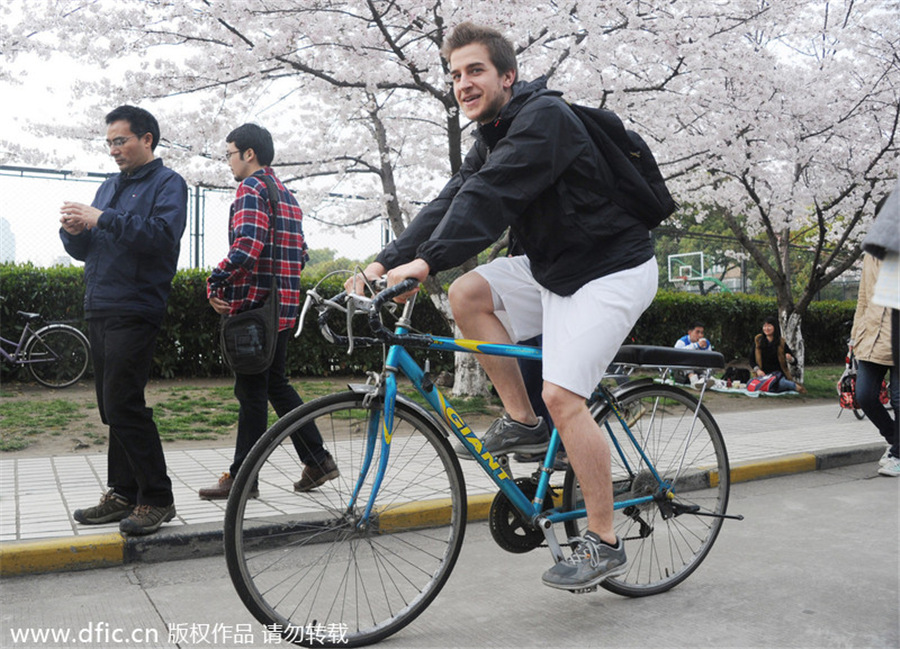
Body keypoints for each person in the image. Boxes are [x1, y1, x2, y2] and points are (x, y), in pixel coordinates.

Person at [346, 22, 658, 592]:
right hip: (554, 266)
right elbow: (453, 198)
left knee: (564, 396)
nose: (462, 83)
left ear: (507, 76)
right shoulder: (490, 135)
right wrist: (385, 260)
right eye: (455, 75)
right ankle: (523, 422)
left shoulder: (545, 121)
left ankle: (605, 541)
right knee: (468, 295)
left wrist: (429, 263)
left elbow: (493, 197)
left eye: (475, 71)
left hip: (612, 269)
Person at [60, 105, 187, 536]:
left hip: (136, 307)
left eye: (121, 140)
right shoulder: (110, 186)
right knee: (112, 407)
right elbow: (91, 247)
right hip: (102, 304)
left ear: (147, 139)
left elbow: (161, 236)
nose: (114, 150)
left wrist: (102, 218)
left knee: (123, 403)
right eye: (109, 142)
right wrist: (75, 233)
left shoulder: (169, 184)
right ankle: (122, 491)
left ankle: (157, 497)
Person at [198, 124, 338, 500]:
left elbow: (247, 245)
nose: (227, 161)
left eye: (229, 153)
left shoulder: (251, 189)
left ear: (248, 154)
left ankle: (244, 478)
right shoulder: (287, 196)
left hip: (254, 310)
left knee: (251, 392)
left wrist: (215, 282)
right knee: (274, 384)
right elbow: (302, 253)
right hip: (281, 310)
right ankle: (317, 459)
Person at [852, 192, 899, 477]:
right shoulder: (871, 253)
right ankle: (896, 442)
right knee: (865, 395)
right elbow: (863, 297)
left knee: (898, 398)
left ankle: (897, 454)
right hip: (871, 336)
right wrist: (856, 334)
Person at [748, 316, 807, 394]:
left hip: (778, 375)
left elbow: (794, 362)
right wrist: (758, 370)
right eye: (765, 326)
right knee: (750, 384)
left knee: (781, 383)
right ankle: (779, 387)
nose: (766, 328)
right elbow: (751, 360)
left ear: (775, 327)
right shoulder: (758, 342)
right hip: (764, 376)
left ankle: (796, 387)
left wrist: (790, 359)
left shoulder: (781, 343)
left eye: (769, 326)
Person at [673, 321, 715, 389]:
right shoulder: (681, 342)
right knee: (685, 362)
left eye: (701, 333)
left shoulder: (706, 344)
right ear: (690, 332)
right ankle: (694, 381)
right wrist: (696, 345)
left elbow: (709, 359)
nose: (700, 335)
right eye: (697, 332)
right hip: (682, 372)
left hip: (698, 368)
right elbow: (676, 355)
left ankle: (704, 380)